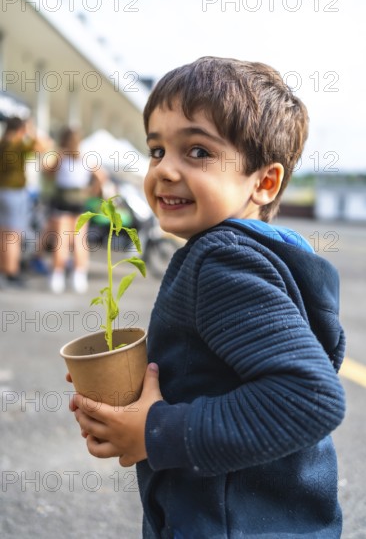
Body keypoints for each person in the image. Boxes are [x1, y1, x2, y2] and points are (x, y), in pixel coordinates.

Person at [69, 57, 346, 538]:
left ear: (264, 182)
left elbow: (309, 398)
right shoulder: (281, 255)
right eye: (157, 150)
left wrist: (153, 430)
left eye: (197, 151)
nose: (165, 171)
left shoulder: (220, 261)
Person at [44, 127, 105, 294]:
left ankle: (57, 276)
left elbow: (48, 174)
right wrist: (91, 191)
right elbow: (101, 177)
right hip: (80, 202)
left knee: (61, 241)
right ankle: (79, 276)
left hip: (62, 200)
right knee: (80, 240)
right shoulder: (86, 156)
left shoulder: (60, 156)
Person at [0, 117, 46, 286]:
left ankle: (3, 272)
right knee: (13, 235)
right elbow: (42, 147)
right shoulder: (18, 144)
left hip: (2, 191)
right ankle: (11, 272)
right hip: (15, 193)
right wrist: (31, 130)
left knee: (3, 235)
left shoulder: (2, 143)